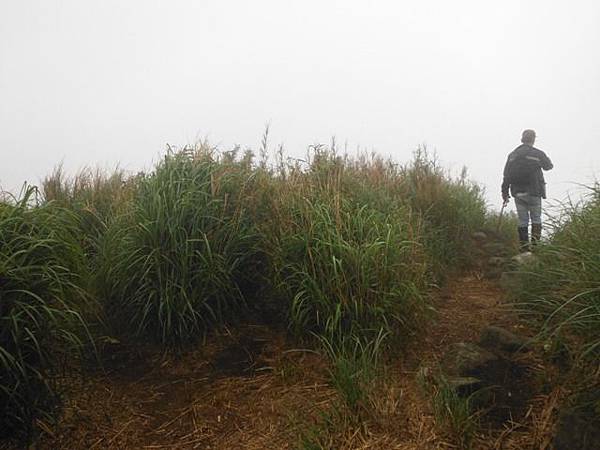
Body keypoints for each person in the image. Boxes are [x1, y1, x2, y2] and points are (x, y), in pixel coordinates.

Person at [501, 129, 553, 251]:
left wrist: (505, 193)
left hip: (517, 192)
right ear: (533, 139)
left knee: (522, 220)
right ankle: (535, 248)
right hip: (534, 191)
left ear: (522, 139)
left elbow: (506, 175)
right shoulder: (538, 153)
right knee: (536, 218)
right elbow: (548, 166)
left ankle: (524, 248)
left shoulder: (512, 155)